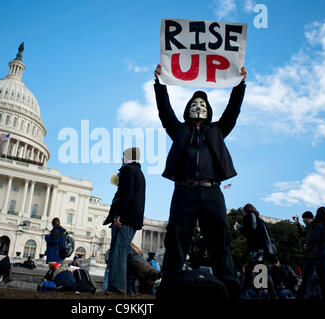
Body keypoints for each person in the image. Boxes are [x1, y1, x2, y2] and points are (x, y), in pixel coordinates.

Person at [153, 64, 247, 298]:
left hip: (212, 191)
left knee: (220, 241)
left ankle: (231, 288)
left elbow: (233, 110)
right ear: (188, 110)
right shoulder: (179, 130)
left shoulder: (217, 130)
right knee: (176, 240)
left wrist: (240, 84)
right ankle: (168, 287)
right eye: (194, 104)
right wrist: (159, 83)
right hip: (183, 191)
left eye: (202, 105)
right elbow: (165, 112)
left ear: (208, 111)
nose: (198, 107)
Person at [103, 147, 146, 294]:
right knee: (125, 252)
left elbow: (125, 194)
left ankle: (116, 287)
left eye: (123, 156)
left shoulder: (128, 171)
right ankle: (147, 272)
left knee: (118, 253)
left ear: (128, 157)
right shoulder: (139, 173)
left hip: (125, 218)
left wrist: (118, 215)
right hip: (133, 218)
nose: (122, 159)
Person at [293, 211, 318, 299]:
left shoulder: (314, 226)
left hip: (311, 253)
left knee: (307, 273)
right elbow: (303, 234)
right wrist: (298, 223)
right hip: (309, 253)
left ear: (308, 218)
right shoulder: (310, 227)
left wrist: (307, 244)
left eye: (304, 219)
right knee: (307, 273)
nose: (303, 221)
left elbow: (311, 237)